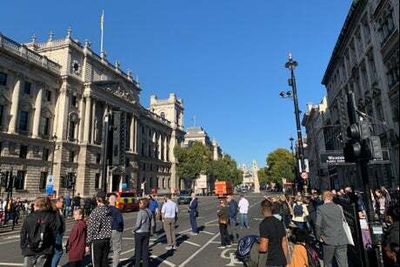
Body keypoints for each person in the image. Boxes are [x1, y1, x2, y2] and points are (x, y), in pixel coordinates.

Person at [20, 197, 57, 267]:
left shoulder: (29, 217)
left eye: (34, 205)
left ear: (38, 205)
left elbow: (23, 233)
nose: (33, 206)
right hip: (45, 248)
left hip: (29, 248)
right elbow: (54, 233)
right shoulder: (51, 216)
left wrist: (23, 245)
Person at [315, 191, 349, 267]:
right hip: (341, 238)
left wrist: (318, 237)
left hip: (328, 239)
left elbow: (318, 225)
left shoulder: (320, 209)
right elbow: (342, 220)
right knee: (343, 264)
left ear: (323, 198)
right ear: (331, 198)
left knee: (328, 263)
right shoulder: (339, 207)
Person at [258, 199, 288, 267]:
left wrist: (255, 248)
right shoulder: (279, 222)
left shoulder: (264, 224)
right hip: (281, 259)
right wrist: (285, 260)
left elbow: (263, 247)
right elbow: (284, 242)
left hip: (270, 260)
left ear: (262, 209)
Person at [86, 191, 112, 267]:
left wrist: (87, 243)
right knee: (104, 262)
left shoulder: (96, 212)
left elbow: (91, 228)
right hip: (106, 239)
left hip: (97, 240)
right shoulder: (108, 210)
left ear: (97, 199)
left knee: (96, 263)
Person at [133, 198, 153, 267]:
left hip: (139, 233)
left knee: (138, 250)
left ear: (144, 204)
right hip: (147, 232)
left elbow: (138, 224)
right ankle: (145, 265)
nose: (139, 204)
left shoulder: (140, 212)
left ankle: (137, 265)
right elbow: (152, 224)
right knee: (145, 250)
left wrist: (134, 230)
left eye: (140, 203)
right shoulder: (150, 212)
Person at [108, 193, 124, 267]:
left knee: (107, 248)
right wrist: (121, 229)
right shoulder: (117, 211)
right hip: (115, 230)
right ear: (115, 201)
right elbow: (120, 221)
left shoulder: (106, 209)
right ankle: (115, 265)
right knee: (117, 250)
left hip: (106, 231)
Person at [51, 197, 65, 267]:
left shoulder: (58, 210)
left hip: (56, 234)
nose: (63, 203)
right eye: (62, 202)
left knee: (55, 252)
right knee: (59, 252)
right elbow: (58, 224)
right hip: (57, 234)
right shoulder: (55, 211)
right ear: (57, 202)